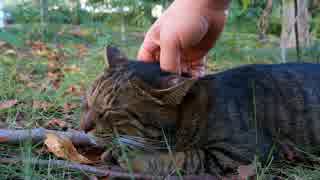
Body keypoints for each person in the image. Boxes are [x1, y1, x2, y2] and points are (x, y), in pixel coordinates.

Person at [137, 0, 231, 77]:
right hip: (220, 11)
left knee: (170, 80)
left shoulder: (168, 34)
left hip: (183, 23)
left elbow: (171, 81)